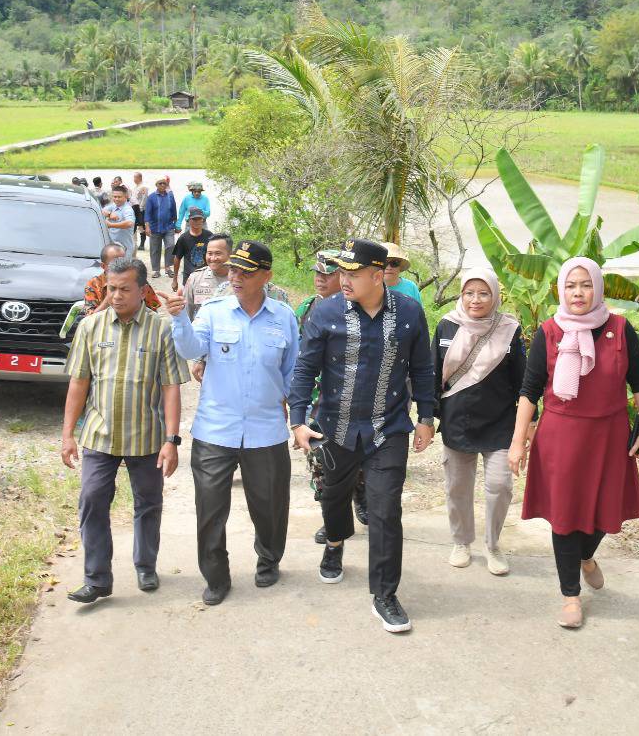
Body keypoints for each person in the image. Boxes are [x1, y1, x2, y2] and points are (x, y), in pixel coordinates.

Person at [290, 238, 436, 635]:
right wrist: (298, 420)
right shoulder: (326, 311)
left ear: (377, 275)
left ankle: (385, 594)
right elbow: (304, 369)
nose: (344, 280)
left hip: (387, 430)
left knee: (386, 509)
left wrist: (426, 415)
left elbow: (423, 367)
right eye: (341, 272)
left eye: (353, 273)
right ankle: (335, 543)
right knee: (333, 497)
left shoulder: (408, 313)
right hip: (333, 428)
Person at [509, 257, 639, 630]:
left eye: (585, 285)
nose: (578, 292)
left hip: (609, 436)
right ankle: (570, 596)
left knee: (607, 508)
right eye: (571, 285)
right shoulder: (550, 331)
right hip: (561, 437)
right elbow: (529, 391)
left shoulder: (621, 329)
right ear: (561, 288)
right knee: (565, 517)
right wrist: (516, 442)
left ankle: (587, 556)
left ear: (598, 288)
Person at [165, 240, 299, 605]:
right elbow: (193, 350)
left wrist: (297, 418)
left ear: (266, 276)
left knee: (271, 505)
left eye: (246, 271)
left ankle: (269, 558)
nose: (236, 276)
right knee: (210, 509)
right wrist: (179, 317)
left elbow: (292, 373)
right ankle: (216, 577)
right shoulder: (213, 311)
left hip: (265, 429)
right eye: (234, 270)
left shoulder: (284, 318)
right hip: (215, 429)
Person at [61, 258, 185, 603]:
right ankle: (97, 578)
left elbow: (171, 387)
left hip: (146, 436)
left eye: (124, 289)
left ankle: (145, 565)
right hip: (99, 435)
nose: (116, 296)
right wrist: (68, 434)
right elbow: (79, 382)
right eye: (111, 289)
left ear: (142, 290)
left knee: (148, 503)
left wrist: (171, 440)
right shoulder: (91, 328)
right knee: (92, 499)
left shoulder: (162, 330)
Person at [435, 267, 526, 576]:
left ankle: (493, 545)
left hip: (500, 422)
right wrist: (428, 415)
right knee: (457, 487)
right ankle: (461, 542)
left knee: (500, 485)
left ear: (495, 295)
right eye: (469, 293)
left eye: (483, 293)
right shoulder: (446, 325)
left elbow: (523, 382)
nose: (476, 299)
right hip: (456, 419)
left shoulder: (510, 330)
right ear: (461, 294)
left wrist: (527, 426)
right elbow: (433, 373)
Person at [296, 249, 368, 546]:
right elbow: (297, 357)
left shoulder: (363, 310)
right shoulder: (307, 307)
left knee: (357, 461)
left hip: (350, 400)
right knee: (320, 461)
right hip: (316, 401)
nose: (320, 279)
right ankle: (332, 519)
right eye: (317, 274)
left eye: (328, 274)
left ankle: (361, 500)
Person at [83, 243, 162, 312]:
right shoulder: (94, 284)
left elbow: (153, 309)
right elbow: (90, 320)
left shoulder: (137, 280)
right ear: (103, 266)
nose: (120, 265)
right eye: (114, 263)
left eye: (123, 261)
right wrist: (110, 297)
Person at [182, 234, 233, 319]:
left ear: (230, 254)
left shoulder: (240, 279)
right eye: (209, 253)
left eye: (218, 253)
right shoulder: (195, 278)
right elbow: (186, 312)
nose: (213, 258)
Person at [144, 175, 179, 281]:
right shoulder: (151, 197)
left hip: (168, 226)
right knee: (155, 249)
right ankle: (156, 270)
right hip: (155, 227)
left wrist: (176, 224)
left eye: (164, 183)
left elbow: (174, 211)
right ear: (156, 185)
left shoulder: (170, 196)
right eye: (160, 183)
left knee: (171, 245)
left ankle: (168, 267)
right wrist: (147, 226)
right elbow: (148, 213)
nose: (163, 185)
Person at [169, 211, 212, 287]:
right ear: (189, 221)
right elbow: (177, 258)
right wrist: (175, 280)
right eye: (194, 219)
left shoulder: (209, 236)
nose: (197, 221)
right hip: (189, 276)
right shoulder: (183, 238)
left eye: (199, 219)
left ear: (203, 220)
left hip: (206, 275)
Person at [103, 185, 136, 257]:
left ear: (125, 197)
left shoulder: (127, 209)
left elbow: (130, 223)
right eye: (115, 197)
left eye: (119, 197)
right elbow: (101, 210)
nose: (117, 199)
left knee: (122, 267)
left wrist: (110, 225)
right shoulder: (114, 206)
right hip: (113, 247)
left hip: (124, 248)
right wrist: (109, 214)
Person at [131, 173, 150, 250]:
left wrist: (141, 209)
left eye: (135, 177)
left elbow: (144, 198)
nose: (134, 179)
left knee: (141, 225)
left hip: (140, 209)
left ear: (139, 178)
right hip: (135, 208)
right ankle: (137, 243)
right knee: (137, 225)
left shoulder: (143, 187)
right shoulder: (136, 187)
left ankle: (142, 244)